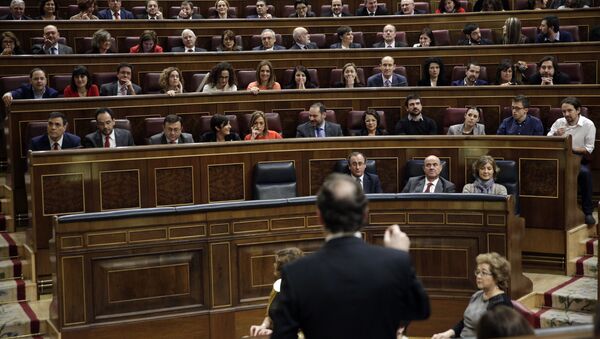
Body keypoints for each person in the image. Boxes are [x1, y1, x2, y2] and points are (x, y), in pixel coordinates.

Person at [271, 174, 430, 338]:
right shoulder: (394, 263)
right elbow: (420, 310)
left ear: (319, 216)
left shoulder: (296, 272)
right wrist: (400, 256)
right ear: (365, 214)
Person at [431, 252, 512, 339]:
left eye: (483, 273)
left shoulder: (502, 303)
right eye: (478, 272)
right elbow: (465, 322)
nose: (478, 276)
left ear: (497, 277)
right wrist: (448, 333)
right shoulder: (477, 295)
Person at [547, 97, 596, 225]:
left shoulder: (588, 125)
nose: (566, 114)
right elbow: (547, 140)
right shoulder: (559, 122)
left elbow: (589, 148)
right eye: (564, 112)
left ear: (578, 110)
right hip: (559, 157)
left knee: (585, 174)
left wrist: (571, 148)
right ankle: (552, 211)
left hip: (579, 159)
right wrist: (556, 135)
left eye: (569, 111)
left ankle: (588, 212)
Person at [249, 247, 304, 337]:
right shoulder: (277, 286)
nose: (274, 265)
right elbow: (269, 316)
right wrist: (263, 327)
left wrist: (277, 334)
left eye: (276, 262)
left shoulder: (306, 292)